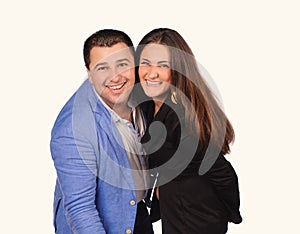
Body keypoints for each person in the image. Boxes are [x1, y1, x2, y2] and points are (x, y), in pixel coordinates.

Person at [135, 28, 242, 234]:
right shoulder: (149, 105)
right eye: (146, 63)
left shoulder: (184, 117)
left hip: (195, 220)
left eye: (163, 65)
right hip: (175, 212)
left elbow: (222, 172)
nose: (152, 72)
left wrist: (231, 214)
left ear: (177, 70)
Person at [50, 29, 154, 234]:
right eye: (102, 68)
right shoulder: (73, 129)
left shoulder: (144, 93)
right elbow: (81, 210)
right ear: (89, 74)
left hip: (136, 212)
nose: (115, 77)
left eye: (122, 64)